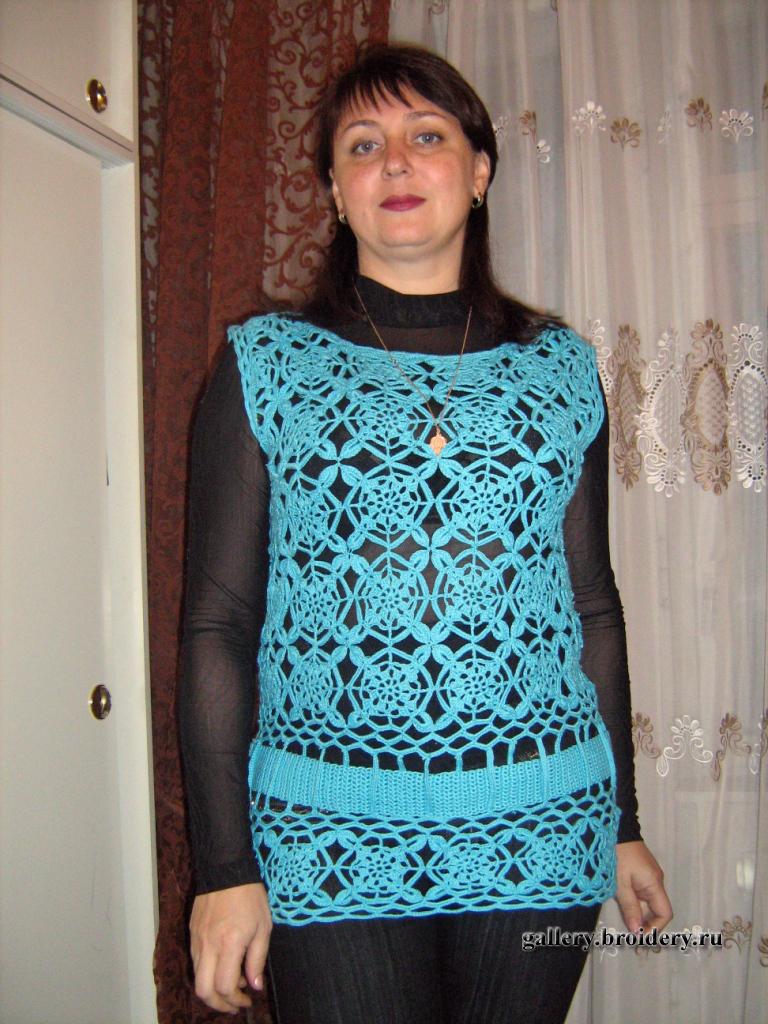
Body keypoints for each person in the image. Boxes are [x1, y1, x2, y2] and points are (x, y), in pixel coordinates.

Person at [179, 43, 673, 1023]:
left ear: (480, 171)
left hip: (542, 820)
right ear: (334, 190)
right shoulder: (267, 365)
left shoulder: (559, 369)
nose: (396, 162)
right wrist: (225, 868)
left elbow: (590, 607)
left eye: (427, 136)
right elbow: (217, 626)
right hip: (325, 827)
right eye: (364, 145)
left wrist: (621, 825)